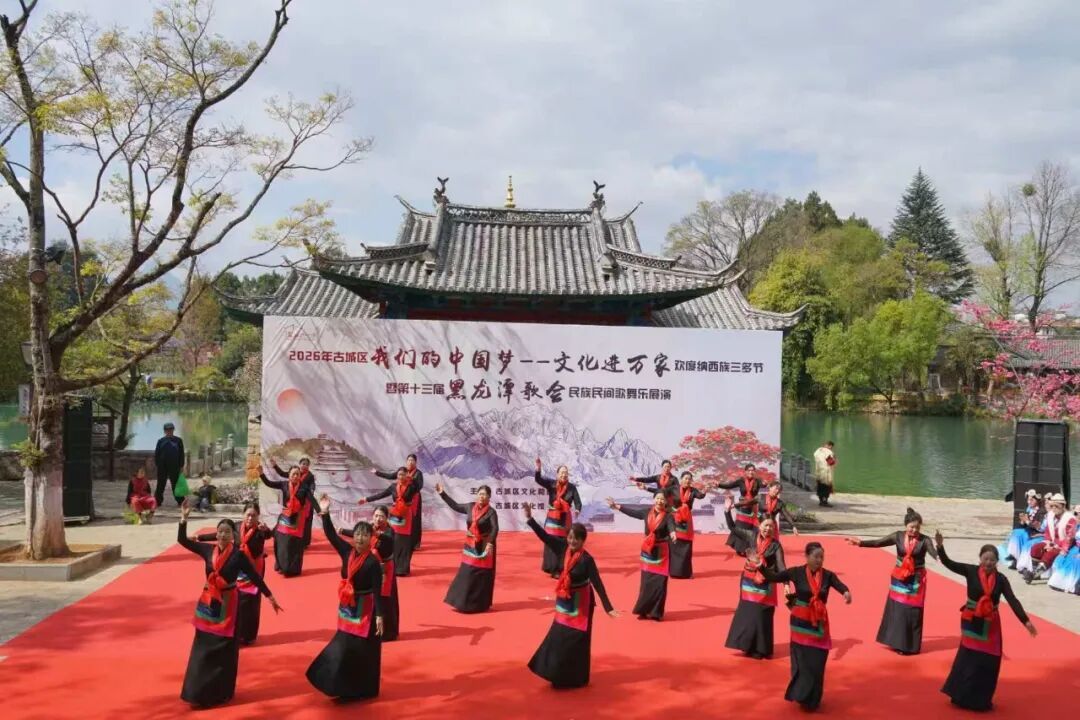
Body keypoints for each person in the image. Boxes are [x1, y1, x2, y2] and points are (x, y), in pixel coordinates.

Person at [178, 504, 282, 708]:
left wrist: (269, 596)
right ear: (216, 534)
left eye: (227, 532)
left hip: (229, 605)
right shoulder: (207, 550)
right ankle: (196, 691)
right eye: (220, 532)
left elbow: (254, 576)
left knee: (224, 651)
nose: (223, 535)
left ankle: (221, 691)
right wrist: (183, 519)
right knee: (202, 648)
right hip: (208, 604)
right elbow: (183, 541)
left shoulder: (238, 556)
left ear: (232, 536)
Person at [936, 532, 1037, 712]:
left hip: (991, 624)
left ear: (997, 561)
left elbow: (1012, 600)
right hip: (971, 620)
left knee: (988, 660)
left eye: (992, 560)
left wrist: (1026, 621)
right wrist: (940, 547)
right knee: (968, 658)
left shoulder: (1001, 580)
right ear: (980, 558)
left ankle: (980, 700)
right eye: (985, 559)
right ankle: (960, 695)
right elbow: (948, 563)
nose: (988, 562)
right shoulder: (970, 571)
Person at [522, 502, 618, 688]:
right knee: (558, 636)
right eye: (571, 537)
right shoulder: (562, 547)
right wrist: (530, 519)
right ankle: (555, 673)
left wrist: (608, 607)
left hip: (582, 604)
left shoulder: (587, 560)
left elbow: (597, 583)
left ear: (583, 541)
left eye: (577, 539)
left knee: (576, 640)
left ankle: (575, 678)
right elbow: (544, 536)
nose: (572, 542)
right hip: (564, 600)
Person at [307, 496, 385, 701]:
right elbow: (331, 535)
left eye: (365, 535)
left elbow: (378, 591)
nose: (360, 538)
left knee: (361, 652)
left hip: (365, 611)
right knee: (341, 647)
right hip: (347, 608)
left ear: (371, 538)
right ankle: (336, 685)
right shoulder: (346, 552)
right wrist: (325, 513)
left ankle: (360, 690)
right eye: (357, 534)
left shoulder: (373, 563)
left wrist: (379, 616)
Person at [760, 542, 852, 712]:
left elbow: (840, 586)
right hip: (800, 625)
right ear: (807, 556)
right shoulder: (796, 572)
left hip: (819, 624)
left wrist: (846, 593)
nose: (819, 560)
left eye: (822, 557)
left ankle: (813, 698)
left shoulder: (828, 575)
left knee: (817, 661)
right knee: (802, 661)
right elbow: (774, 577)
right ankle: (802, 695)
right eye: (816, 556)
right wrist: (760, 566)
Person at [845, 507, 936, 655]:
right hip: (899, 579)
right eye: (912, 527)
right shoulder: (898, 536)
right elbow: (878, 542)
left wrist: (939, 553)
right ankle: (895, 642)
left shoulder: (925, 540)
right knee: (898, 610)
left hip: (916, 580)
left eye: (917, 528)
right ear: (906, 525)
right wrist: (860, 543)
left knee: (911, 612)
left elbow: (933, 552)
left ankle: (910, 646)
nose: (914, 530)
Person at [192, 502, 275, 645]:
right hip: (236, 568)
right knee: (237, 603)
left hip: (253, 569)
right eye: (248, 515)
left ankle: (248, 636)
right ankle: (234, 633)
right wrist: (199, 538)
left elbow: (269, 535)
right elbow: (218, 534)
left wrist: (266, 529)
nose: (250, 518)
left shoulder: (260, 530)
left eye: (253, 515)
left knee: (250, 604)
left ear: (258, 516)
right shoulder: (236, 527)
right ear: (243, 515)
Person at [723, 496, 786, 659]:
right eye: (766, 526)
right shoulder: (751, 535)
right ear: (759, 525)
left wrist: (786, 583)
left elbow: (781, 566)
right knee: (748, 614)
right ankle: (747, 646)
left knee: (761, 616)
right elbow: (732, 528)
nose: (768, 529)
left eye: (771, 526)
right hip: (748, 582)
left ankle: (761, 649)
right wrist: (727, 511)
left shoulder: (776, 545)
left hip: (766, 584)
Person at [606, 492, 674, 620]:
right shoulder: (646, 512)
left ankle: (656, 613)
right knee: (646, 583)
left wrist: (673, 533)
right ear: (654, 499)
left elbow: (671, 527)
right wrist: (617, 506)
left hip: (661, 552)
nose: (659, 501)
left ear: (665, 502)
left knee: (660, 584)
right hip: (648, 551)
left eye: (662, 499)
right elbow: (633, 513)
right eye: (658, 498)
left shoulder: (668, 516)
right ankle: (643, 610)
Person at [437, 482, 499, 613]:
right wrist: (442, 493)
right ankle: (461, 602)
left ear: (489, 497)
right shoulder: (470, 507)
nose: (481, 496)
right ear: (477, 495)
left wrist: (490, 543)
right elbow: (455, 506)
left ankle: (479, 604)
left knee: (481, 575)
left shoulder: (491, 512)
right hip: (470, 543)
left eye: (485, 494)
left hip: (484, 545)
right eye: (480, 494)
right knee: (466, 571)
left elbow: (495, 529)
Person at [341, 505, 400, 641]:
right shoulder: (370, 528)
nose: (378, 519)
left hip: (386, 570)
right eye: (376, 516)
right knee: (371, 600)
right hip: (373, 569)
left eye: (381, 516)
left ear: (387, 518)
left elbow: (388, 540)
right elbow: (357, 533)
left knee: (384, 600)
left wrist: (376, 534)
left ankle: (387, 633)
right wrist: (342, 530)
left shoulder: (389, 531)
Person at [360, 467, 419, 576]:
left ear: (407, 475)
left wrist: (411, 479)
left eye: (403, 474)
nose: (401, 477)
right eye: (399, 474)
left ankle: (403, 569)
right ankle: (392, 566)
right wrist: (366, 499)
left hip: (406, 516)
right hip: (395, 515)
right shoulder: (393, 487)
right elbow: (381, 495)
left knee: (404, 542)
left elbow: (418, 486)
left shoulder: (412, 487)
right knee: (394, 539)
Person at [260, 465, 313, 577]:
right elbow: (269, 483)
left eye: (298, 474)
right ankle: (281, 565)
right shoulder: (284, 484)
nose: (295, 476)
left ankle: (292, 569)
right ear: (289, 475)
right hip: (285, 516)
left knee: (294, 545)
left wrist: (320, 510)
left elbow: (312, 500)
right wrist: (261, 474)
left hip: (297, 519)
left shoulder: (304, 487)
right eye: (293, 474)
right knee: (281, 541)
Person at [534, 457, 583, 577]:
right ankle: (551, 568)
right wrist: (538, 468)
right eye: (561, 472)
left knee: (563, 545)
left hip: (565, 519)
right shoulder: (551, 484)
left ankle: (560, 568)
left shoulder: (572, 487)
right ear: (557, 474)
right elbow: (538, 479)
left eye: (566, 473)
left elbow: (578, 502)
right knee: (550, 542)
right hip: (552, 518)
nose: (564, 475)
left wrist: (577, 509)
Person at [370, 454, 425, 551]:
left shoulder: (418, 473)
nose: (410, 462)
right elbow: (391, 476)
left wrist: (411, 481)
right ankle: (397, 542)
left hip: (413, 500)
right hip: (401, 501)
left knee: (415, 522)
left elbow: (419, 486)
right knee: (398, 523)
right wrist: (377, 473)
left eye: (412, 460)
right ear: (406, 461)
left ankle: (415, 543)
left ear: (416, 462)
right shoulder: (402, 472)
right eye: (409, 460)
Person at [1022, 493, 1076, 584]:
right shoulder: (1050, 515)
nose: (1054, 508)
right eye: (1052, 506)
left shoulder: (1070, 519)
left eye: (1056, 506)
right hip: (1052, 541)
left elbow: (1069, 539)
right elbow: (1048, 532)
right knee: (1036, 548)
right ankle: (1036, 573)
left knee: (1050, 554)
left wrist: (1055, 546)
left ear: (1063, 506)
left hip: (1063, 545)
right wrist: (1048, 542)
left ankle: (1033, 575)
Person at [713, 463, 763, 556]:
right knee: (741, 527)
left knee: (750, 528)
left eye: (752, 470)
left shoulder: (757, 481)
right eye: (749, 470)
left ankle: (749, 548)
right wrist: (719, 485)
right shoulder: (741, 481)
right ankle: (739, 548)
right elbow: (729, 485)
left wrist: (765, 484)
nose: (751, 472)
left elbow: (763, 485)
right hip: (742, 507)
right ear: (745, 471)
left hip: (752, 507)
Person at [272, 456, 317, 548]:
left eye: (307, 464)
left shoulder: (310, 476)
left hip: (305, 503)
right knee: (287, 523)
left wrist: (311, 490)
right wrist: (275, 465)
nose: (304, 466)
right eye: (303, 464)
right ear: (300, 464)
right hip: (292, 505)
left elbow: (312, 485)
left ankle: (304, 543)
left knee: (305, 524)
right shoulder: (295, 472)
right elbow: (282, 473)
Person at [668, 471, 707, 579]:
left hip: (687, 521)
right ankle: (673, 572)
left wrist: (705, 490)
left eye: (689, 479)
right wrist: (646, 488)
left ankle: (687, 573)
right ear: (681, 479)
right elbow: (661, 491)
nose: (687, 480)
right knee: (674, 544)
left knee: (687, 547)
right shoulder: (674, 489)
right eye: (685, 478)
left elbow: (700, 496)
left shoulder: (693, 491)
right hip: (675, 519)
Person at [1002, 489, 1046, 569]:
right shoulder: (1029, 509)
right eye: (1028, 500)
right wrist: (1022, 522)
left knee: (1022, 536)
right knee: (1015, 532)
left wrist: (1027, 521)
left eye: (1031, 500)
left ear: (1037, 500)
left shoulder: (1041, 511)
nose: (1029, 502)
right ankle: (1014, 556)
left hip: (1037, 534)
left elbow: (1039, 527)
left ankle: (1021, 562)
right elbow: (1024, 524)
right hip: (1029, 530)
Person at [1047, 505, 1080, 595]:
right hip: (1075, 548)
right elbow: (1069, 539)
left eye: (1079, 513)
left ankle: (1073, 585)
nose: (1077, 515)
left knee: (1076, 561)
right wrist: (1064, 549)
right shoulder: (1076, 526)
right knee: (1062, 558)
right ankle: (1060, 583)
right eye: (1076, 513)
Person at [154, 422, 185, 507]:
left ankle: (180, 501)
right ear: (164, 431)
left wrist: (181, 465)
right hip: (162, 466)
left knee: (176, 484)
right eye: (167, 430)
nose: (169, 431)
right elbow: (157, 454)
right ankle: (157, 501)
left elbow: (181, 454)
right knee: (161, 484)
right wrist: (158, 464)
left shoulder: (178, 441)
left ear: (173, 430)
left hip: (174, 466)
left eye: (171, 429)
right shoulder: (160, 441)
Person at [812, 441, 836, 506]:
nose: (831, 448)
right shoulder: (828, 452)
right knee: (826, 488)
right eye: (831, 447)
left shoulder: (817, 451)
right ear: (830, 445)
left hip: (819, 472)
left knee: (820, 487)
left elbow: (815, 457)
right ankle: (824, 502)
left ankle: (821, 501)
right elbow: (831, 462)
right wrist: (834, 459)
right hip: (826, 474)